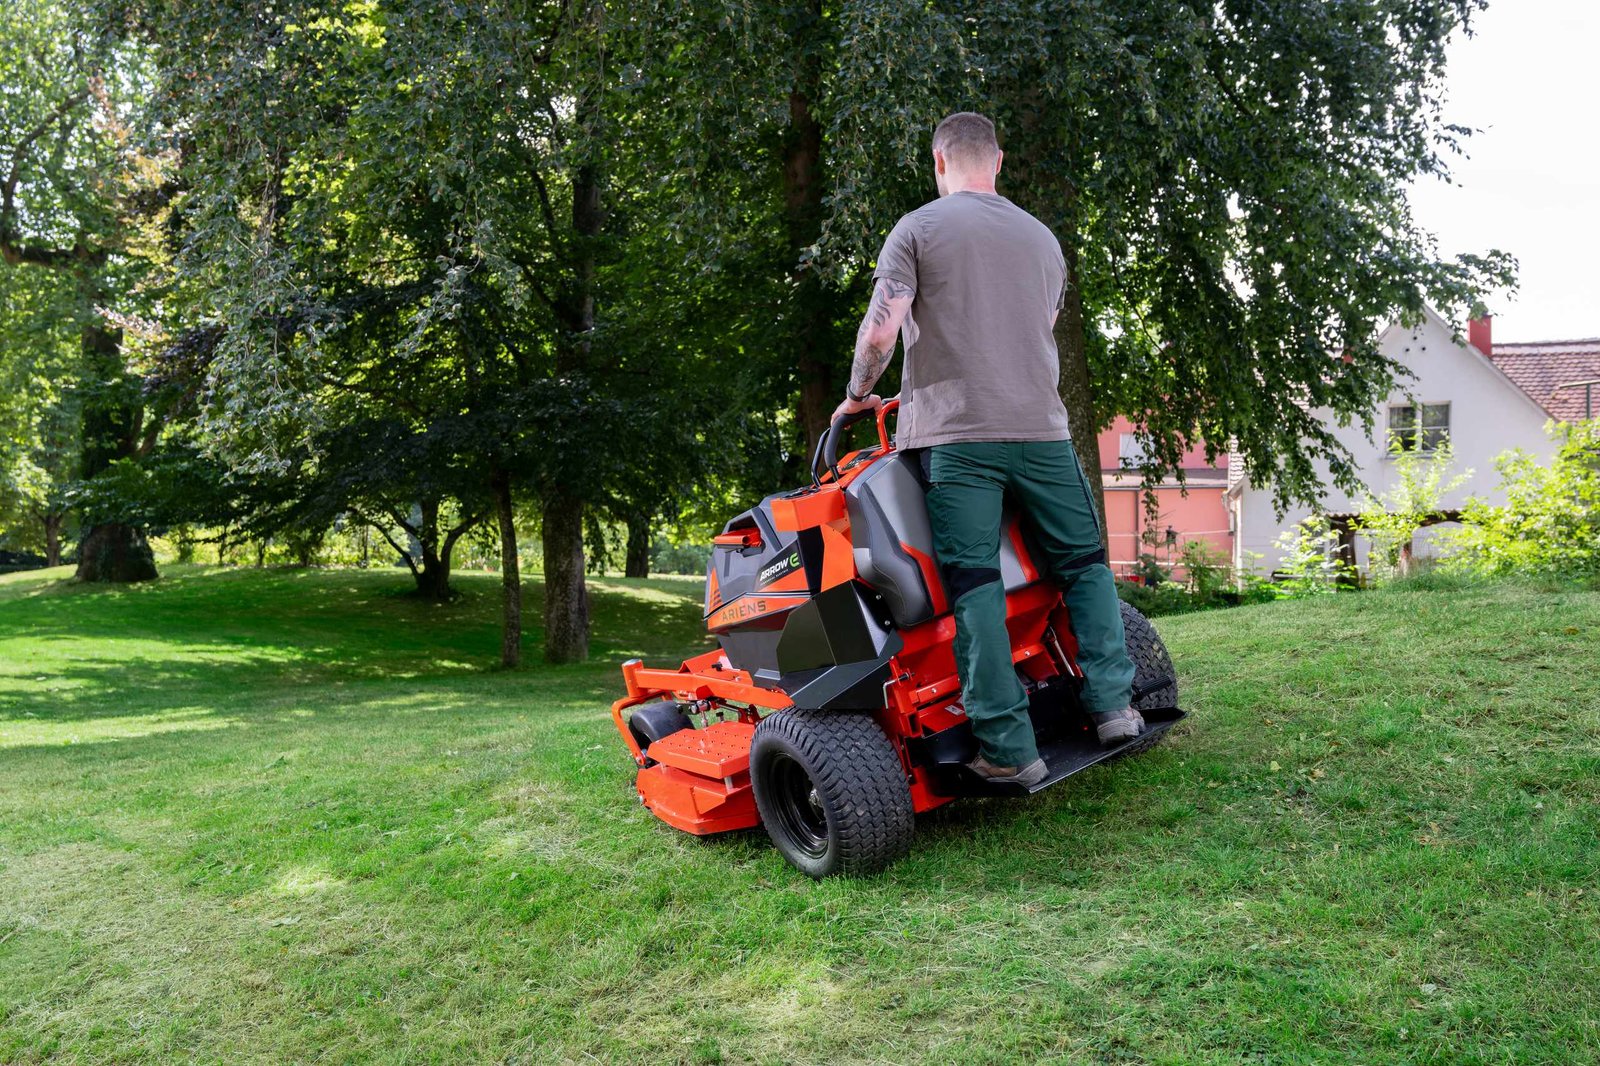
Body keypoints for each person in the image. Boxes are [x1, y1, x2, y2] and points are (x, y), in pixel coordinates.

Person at [832, 110, 1143, 787]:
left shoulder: (917, 229)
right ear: (997, 161)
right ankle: (1115, 707)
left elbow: (882, 329)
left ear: (939, 161)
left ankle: (1009, 748)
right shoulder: (1042, 239)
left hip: (959, 437)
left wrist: (859, 393)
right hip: (1043, 432)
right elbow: (1039, 325)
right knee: (1085, 567)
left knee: (974, 584)